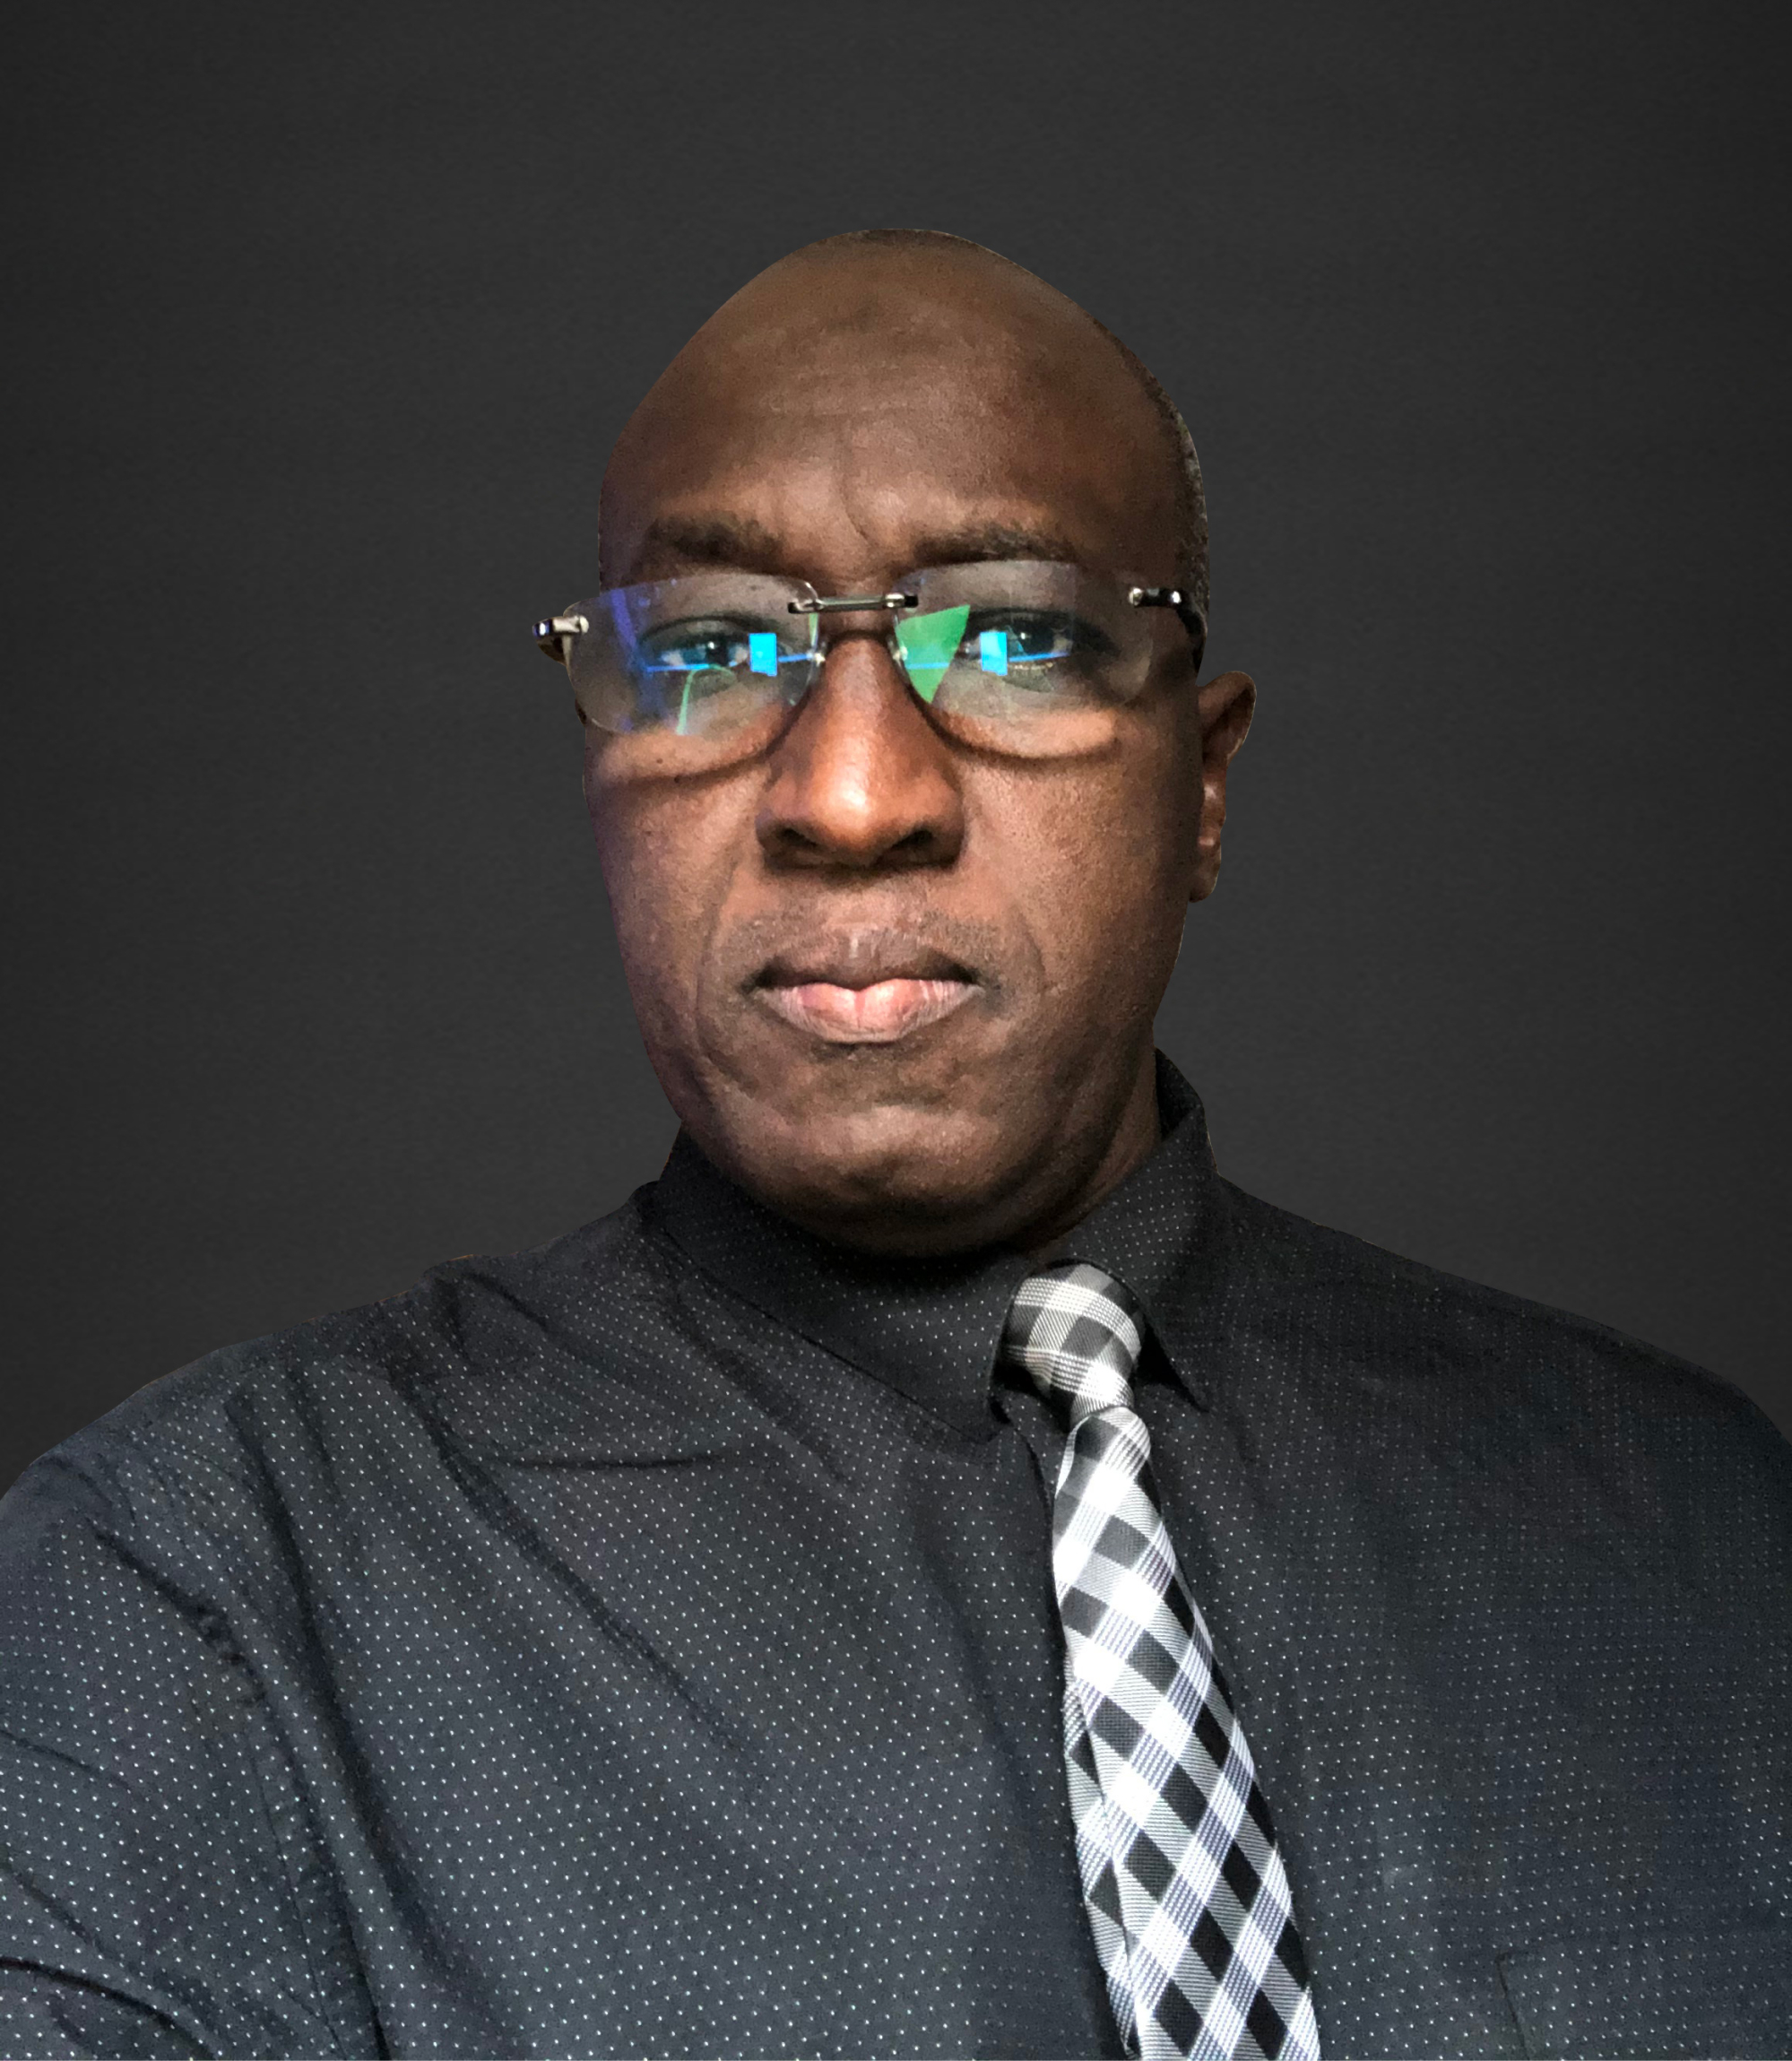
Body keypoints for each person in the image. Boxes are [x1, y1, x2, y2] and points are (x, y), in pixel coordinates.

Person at [0, 228, 1786, 2061]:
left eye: (1017, 638)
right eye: (711, 650)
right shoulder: (200, 1597)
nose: (853, 796)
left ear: (1203, 786)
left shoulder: (1705, 1538)